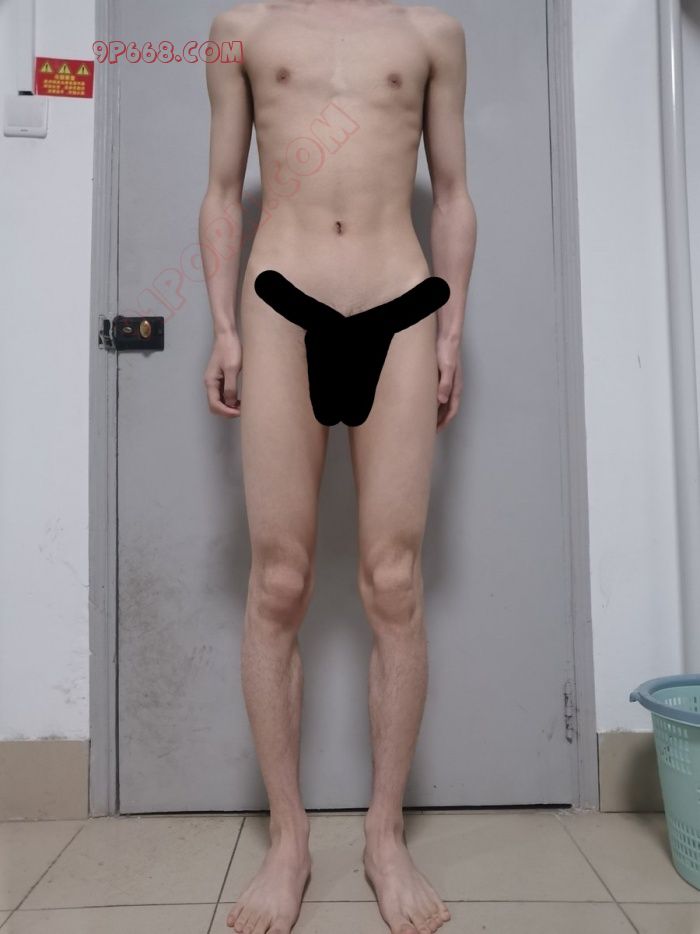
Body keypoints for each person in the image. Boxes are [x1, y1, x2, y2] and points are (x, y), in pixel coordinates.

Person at [199, 1, 476, 931]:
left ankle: (384, 836)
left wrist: (453, 333)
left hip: (402, 300)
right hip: (281, 299)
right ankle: (289, 841)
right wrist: (223, 327)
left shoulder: (431, 33)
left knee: (393, 581)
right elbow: (221, 188)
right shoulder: (243, 26)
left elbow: (455, 191)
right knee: (278, 581)